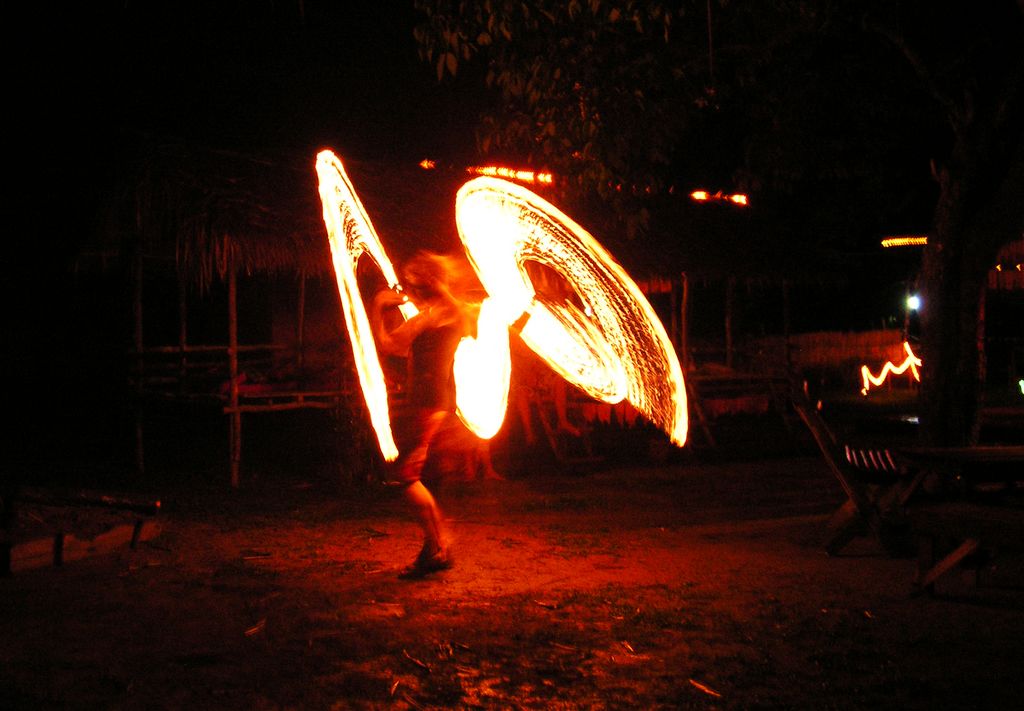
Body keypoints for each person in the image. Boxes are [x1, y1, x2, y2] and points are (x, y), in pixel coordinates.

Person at [370, 251, 476, 578]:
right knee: (420, 478)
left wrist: (377, 308)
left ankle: (438, 545)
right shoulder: (453, 313)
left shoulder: (430, 316)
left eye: (412, 284)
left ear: (423, 285)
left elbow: (388, 345)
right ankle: (435, 547)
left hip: (427, 402)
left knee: (404, 477)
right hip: (440, 401)